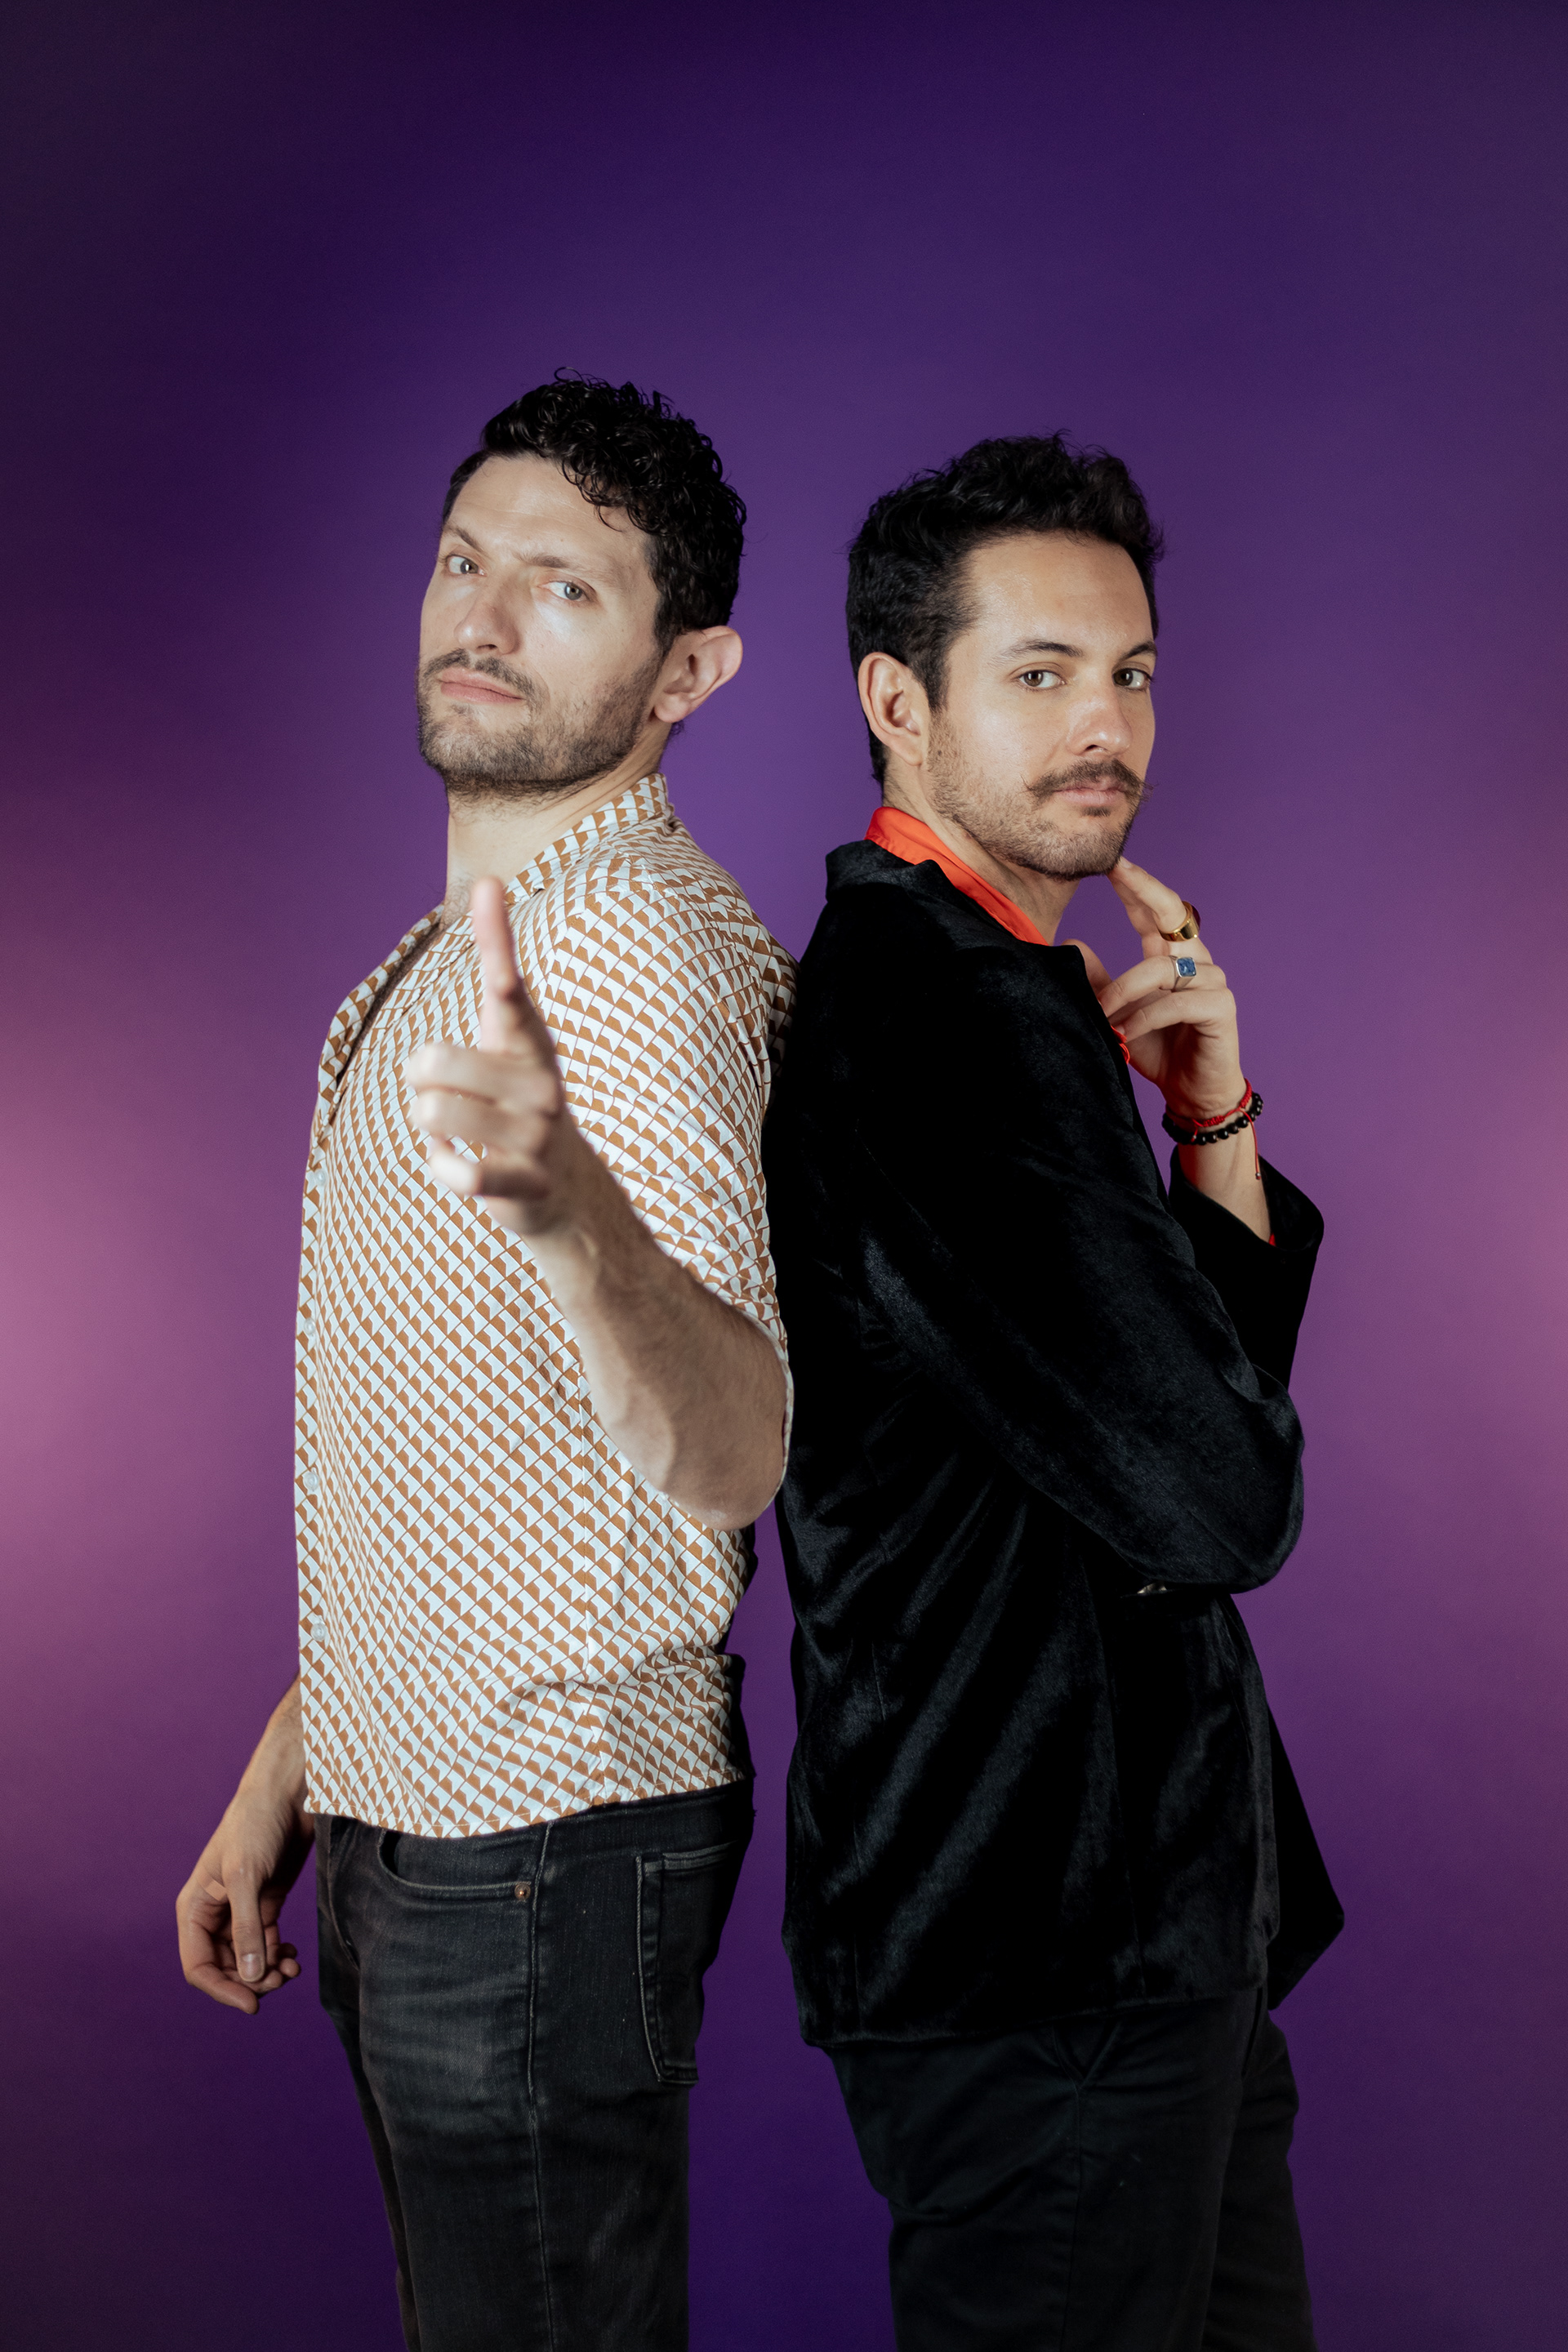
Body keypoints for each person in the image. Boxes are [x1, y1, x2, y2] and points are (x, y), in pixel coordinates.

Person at [176, 375, 794, 2352]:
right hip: (433, 1822)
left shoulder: (629, 962)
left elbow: (737, 1448)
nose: (485, 615)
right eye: (464, 562)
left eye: (565, 586)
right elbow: (472, 1456)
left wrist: (567, 1204)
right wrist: (296, 1769)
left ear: (688, 671)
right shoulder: (494, 940)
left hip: (539, 1847)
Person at [763, 434, 1343, 2350]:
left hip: (1142, 1942)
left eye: (1133, 672)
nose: (1108, 726)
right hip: (1043, 1958)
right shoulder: (940, 1021)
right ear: (897, 700)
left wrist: (1212, 1132)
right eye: (1041, 673)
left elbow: (1176, 1440)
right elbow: (1224, 1497)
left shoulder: (1014, 990)